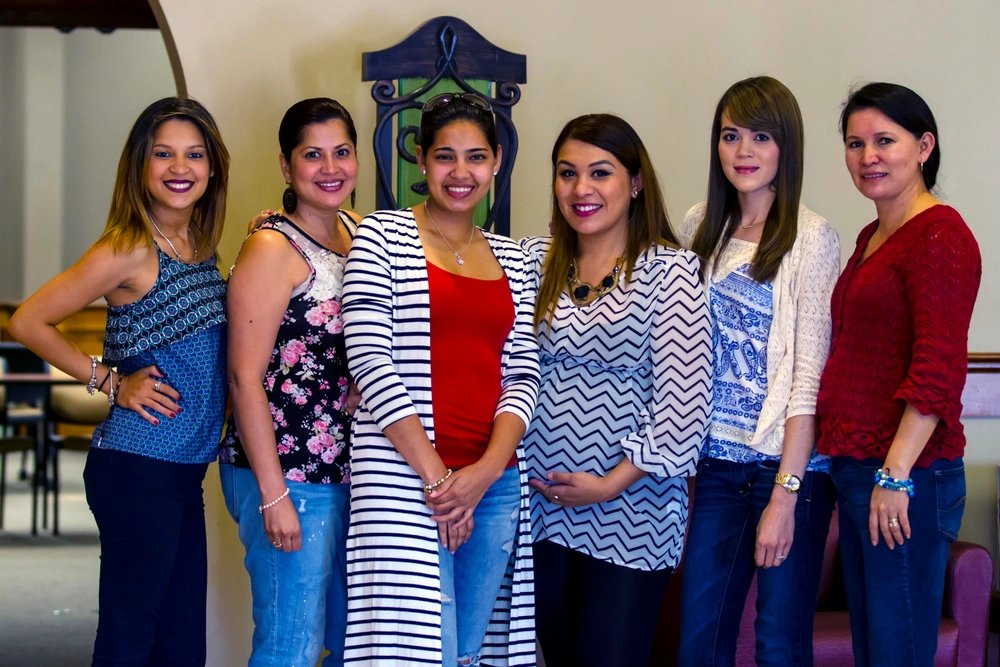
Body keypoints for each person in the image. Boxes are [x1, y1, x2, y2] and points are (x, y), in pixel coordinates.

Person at [8, 96, 229, 666]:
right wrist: (109, 382)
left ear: (212, 167)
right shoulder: (128, 246)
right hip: (136, 469)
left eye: (194, 155)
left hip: (181, 473)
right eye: (163, 154)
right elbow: (28, 320)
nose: (180, 168)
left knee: (180, 649)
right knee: (130, 643)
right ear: (140, 165)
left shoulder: (201, 244)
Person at [341, 92, 540, 666]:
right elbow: (371, 366)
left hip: (494, 486)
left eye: (475, 157)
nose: (461, 173)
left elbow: (522, 370)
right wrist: (439, 482)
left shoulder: (515, 258)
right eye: (445, 157)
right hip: (407, 484)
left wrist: (478, 477)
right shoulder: (381, 239)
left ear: (497, 161)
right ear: (422, 162)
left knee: (470, 653)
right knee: (414, 653)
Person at [521, 113, 712, 667]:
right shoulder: (535, 263)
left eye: (600, 173)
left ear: (634, 182)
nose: (581, 189)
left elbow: (683, 405)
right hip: (540, 508)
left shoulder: (669, 272)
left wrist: (608, 485)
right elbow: (447, 252)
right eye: (567, 173)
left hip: (631, 513)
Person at [675, 76, 840, 666]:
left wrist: (786, 496)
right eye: (730, 135)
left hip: (786, 469)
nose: (743, 151)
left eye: (761, 137)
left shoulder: (811, 236)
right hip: (717, 466)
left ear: (785, 149)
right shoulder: (700, 226)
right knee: (699, 637)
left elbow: (807, 376)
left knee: (778, 642)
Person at [816, 82, 981, 666]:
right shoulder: (872, 236)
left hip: (910, 475)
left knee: (896, 650)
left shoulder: (941, 234)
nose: (869, 157)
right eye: (856, 143)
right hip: (862, 471)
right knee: (876, 648)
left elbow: (938, 368)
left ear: (924, 146)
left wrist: (896, 475)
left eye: (886, 140)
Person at [218, 97, 361, 667]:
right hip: (286, 472)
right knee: (289, 644)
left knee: (350, 638)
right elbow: (242, 376)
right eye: (312, 155)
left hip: (349, 467)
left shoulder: (357, 230)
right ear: (286, 166)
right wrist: (275, 496)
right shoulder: (272, 247)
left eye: (342, 152)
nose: (331, 168)